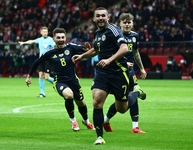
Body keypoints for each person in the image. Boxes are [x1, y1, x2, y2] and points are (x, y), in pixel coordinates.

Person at [72, 7, 145, 145]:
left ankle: (135, 93)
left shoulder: (113, 30)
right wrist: (81, 56)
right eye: (98, 16)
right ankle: (99, 137)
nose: (100, 18)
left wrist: (109, 60)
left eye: (103, 16)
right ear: (94, 19)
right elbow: (95, 49)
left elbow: (124, 48)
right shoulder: (97, 33)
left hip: (118, 72)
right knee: (96, 102)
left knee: (122, 109)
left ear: (108, 17)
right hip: (103, 72)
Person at [25, 28, 95, 131]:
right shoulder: (49, 52)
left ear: (65, 38)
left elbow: (84, 48)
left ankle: (86, 121)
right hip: (59, 81)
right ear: (54, 39)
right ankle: (73, 121)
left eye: (62, 37)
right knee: (69, 95)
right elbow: (37, 62)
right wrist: (29, 76)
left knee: (81, 102)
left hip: (73, 81)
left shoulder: (71, 47)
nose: (61, 39)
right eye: (58, 37)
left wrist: (88, 48)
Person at [103, 13, 147, 134]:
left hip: (130, 72)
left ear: (132, 23)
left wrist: (142, 69)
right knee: (121, 100)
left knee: (131, 96)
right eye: (124, 22)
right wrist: (122, 62)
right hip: (117, 71)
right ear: (120, 23)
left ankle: (135, 126)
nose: (127, 25)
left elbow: (136, 53)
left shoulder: (135, 36)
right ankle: (105, 120)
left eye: (129, 23)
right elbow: (109, 53)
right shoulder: (116, 35)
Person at [19, 27, 55, 97]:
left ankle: (58, 83)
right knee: (40, 76)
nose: (45, 33)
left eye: (46, 31)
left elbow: (55, 47)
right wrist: (23, 43)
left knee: (47, 77)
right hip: (40, 59)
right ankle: (42, 93)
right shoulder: (39, 40)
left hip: (47, 60)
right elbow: (31, 41)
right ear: (41, 33)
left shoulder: (50, 40)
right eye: (44, 32)